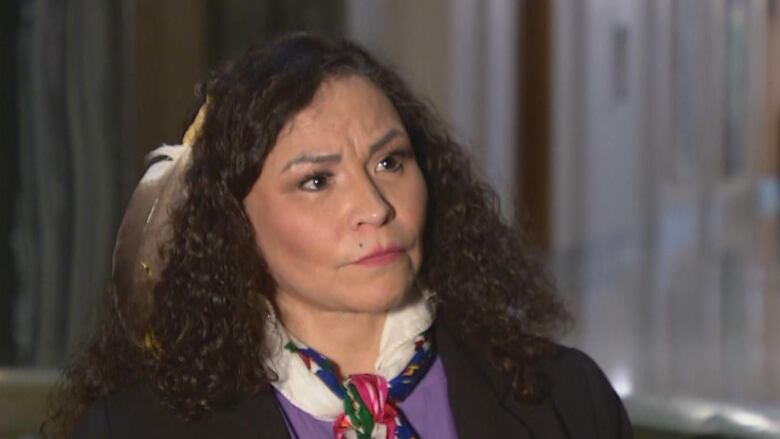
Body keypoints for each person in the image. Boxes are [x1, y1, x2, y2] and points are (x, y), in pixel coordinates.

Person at [45, 33, 633, 438]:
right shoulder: (135, 430)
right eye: (317, 180)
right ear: (231, 224)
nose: (374, 209)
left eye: (389, 162)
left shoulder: (567, 400)